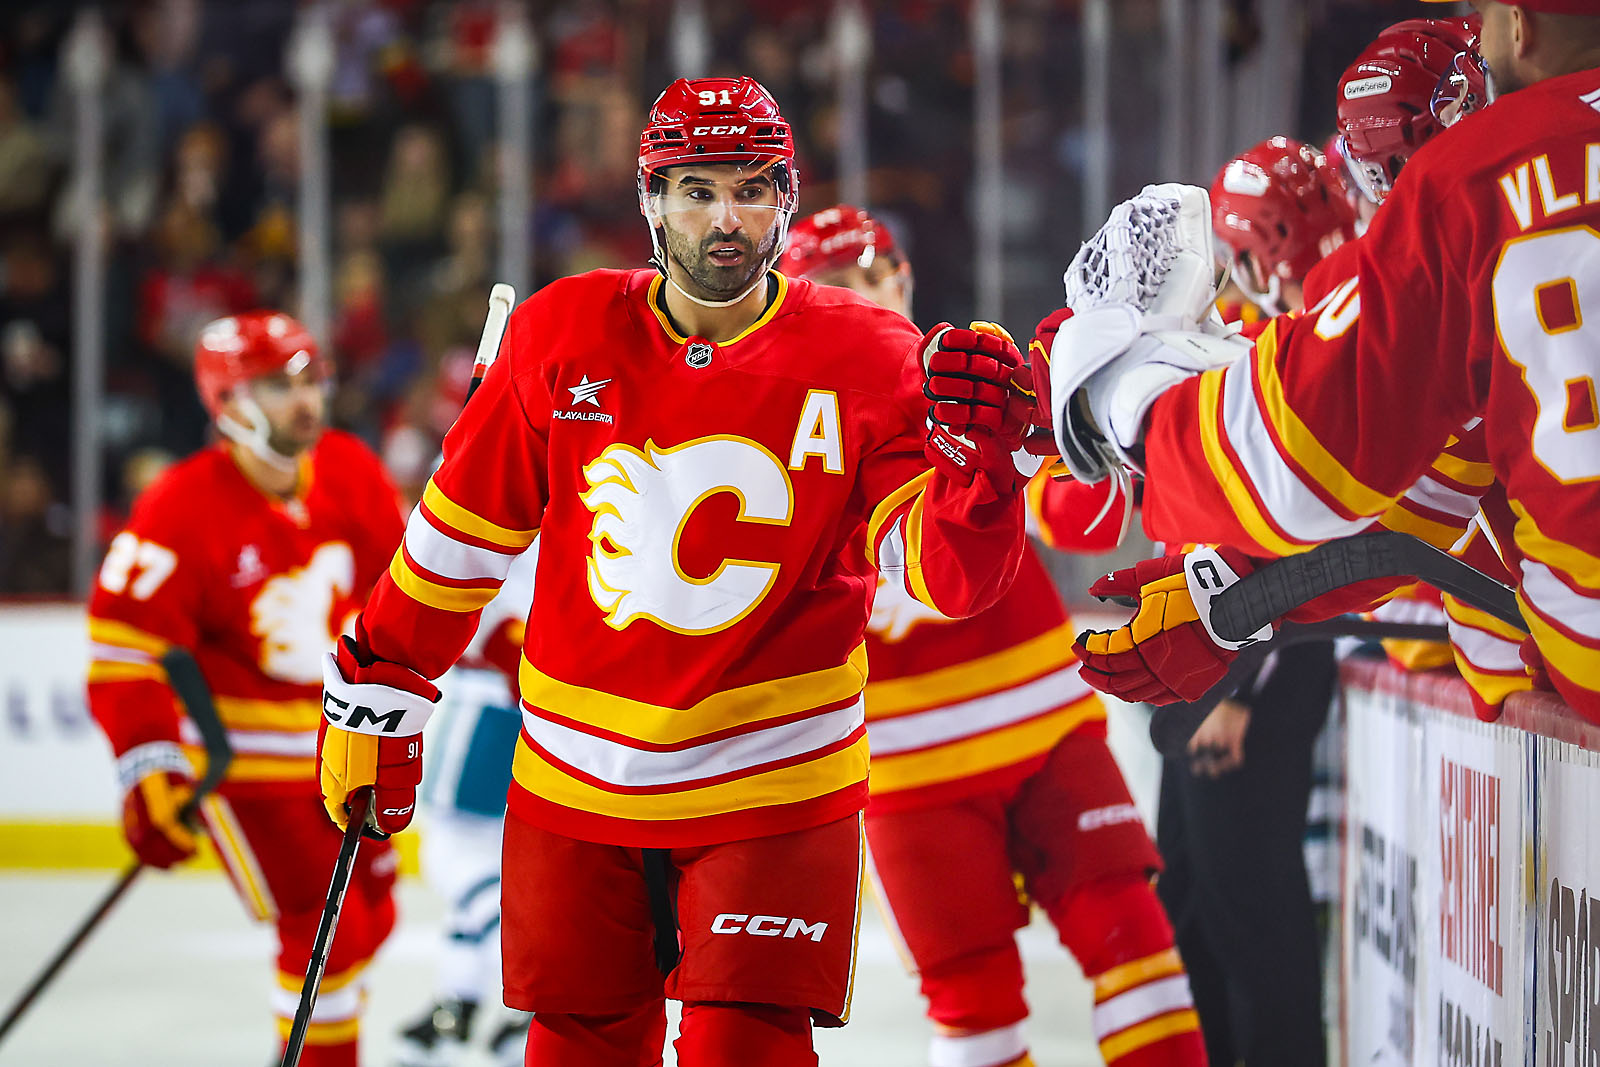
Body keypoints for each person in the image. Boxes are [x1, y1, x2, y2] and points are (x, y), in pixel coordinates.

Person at [317, 76, 1036, 1067]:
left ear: (787, 197)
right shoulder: (560, 333)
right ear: (651, 199)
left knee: (747, 1050)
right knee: (578, 1047)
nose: (725, 217)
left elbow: (942, 578)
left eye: (750, 188)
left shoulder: (875, 356)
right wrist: (381, 683)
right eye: (697, 190)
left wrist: (982, 476)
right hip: (576, 787)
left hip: (774, 790)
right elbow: (459, 538)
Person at [1044, 0, 1600, 722]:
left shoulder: (1479, 178)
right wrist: (1234, 592)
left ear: (1519, 26)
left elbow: (1309, 454)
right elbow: (1428, 493)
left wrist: (1123, 394)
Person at [780, 206, 1206, 1067]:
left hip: (1048, 729)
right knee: (972, 1004)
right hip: (910, 776)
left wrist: (1075, 427)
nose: (857, 303)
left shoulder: (968, 378)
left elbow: (1078, 516)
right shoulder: (777, 433)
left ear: (900, 280)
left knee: (1134, 938)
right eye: (831, 291)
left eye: (866, 280)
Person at [86, 310, 405, 1067]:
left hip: (345, 751)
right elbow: (124, 653)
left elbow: (400, 591)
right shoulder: (177, 507)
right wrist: (148, 764)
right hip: (247, 767)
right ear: (226, 401)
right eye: (274, 385)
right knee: (325, 933)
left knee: (374, 916)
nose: (304, 400)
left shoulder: (351, 469)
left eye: (308, 378)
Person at [395, 544, 536, 1067]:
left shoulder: (503, 470)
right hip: (541, 703)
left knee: (458, 859)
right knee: (494, 868)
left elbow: (477, 608)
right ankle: (461, 1000)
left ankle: (530, 1004)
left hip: (492, 703)